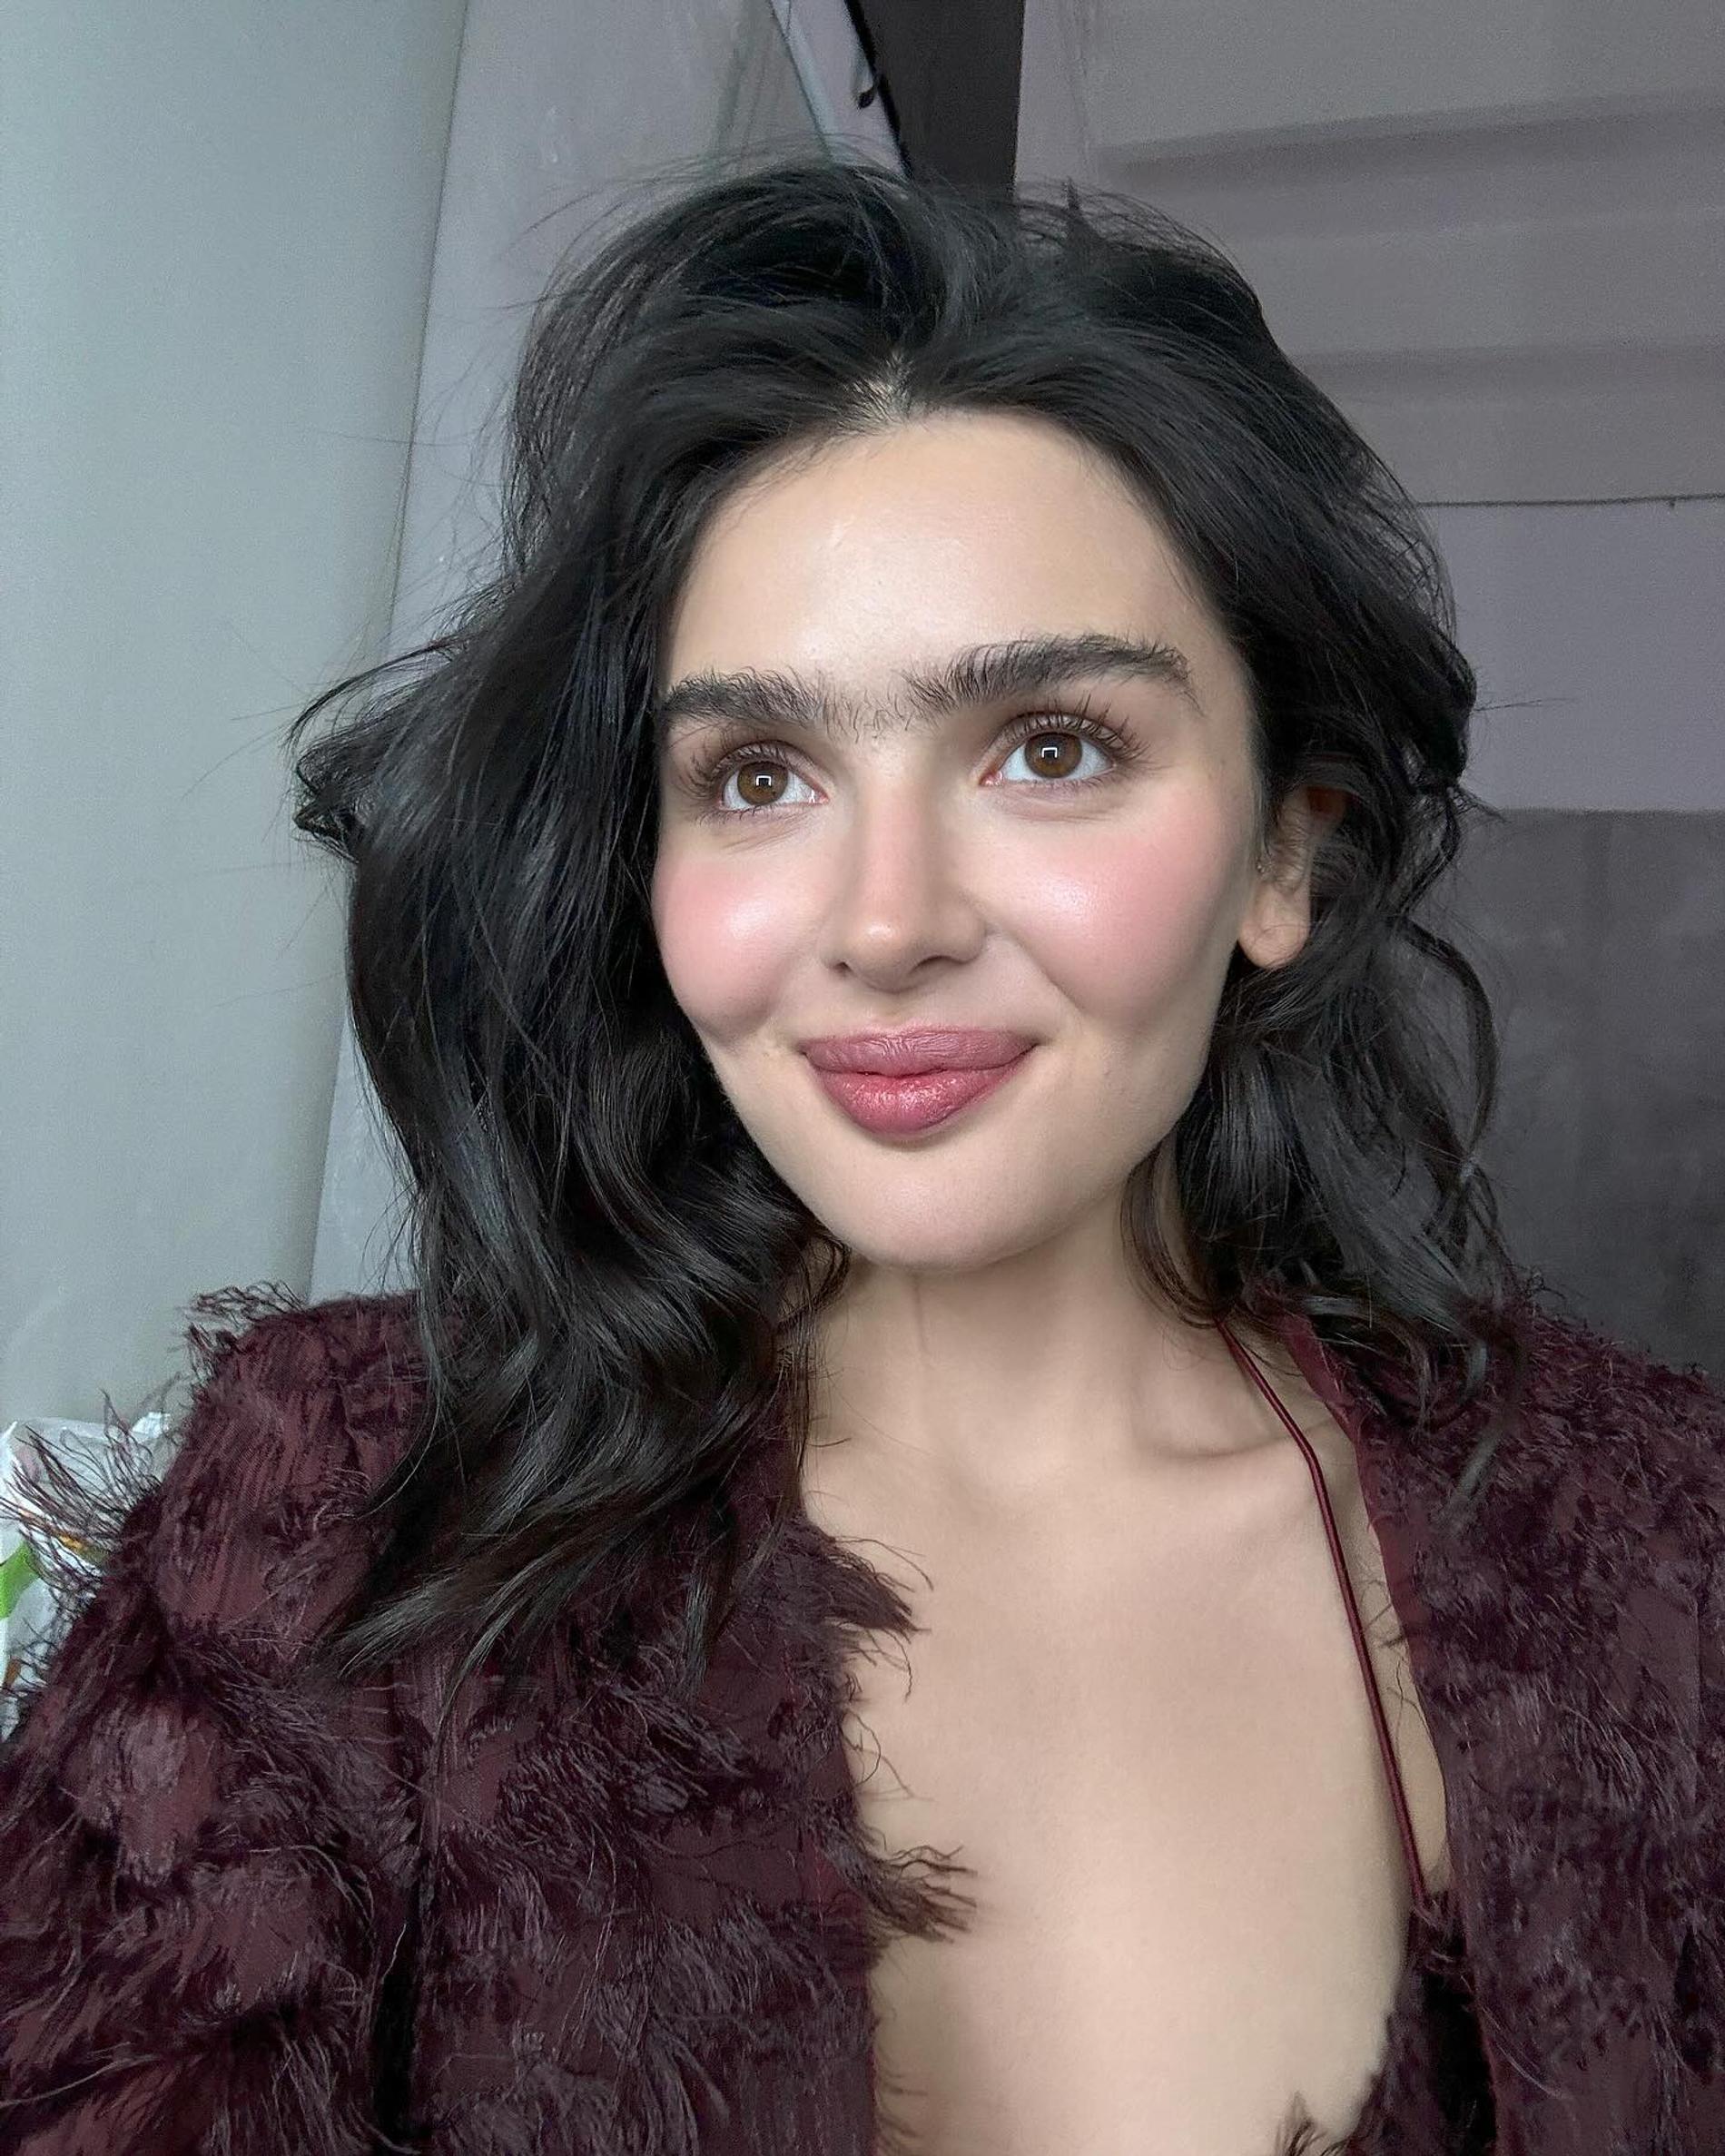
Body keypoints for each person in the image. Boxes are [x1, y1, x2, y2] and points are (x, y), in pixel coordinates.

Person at [2, 153, 1720, 2156]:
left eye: (1051, 747)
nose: (886, 920)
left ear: (1282, 854)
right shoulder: (327, 1512)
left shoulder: (1658, 1554)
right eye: (757, 775)